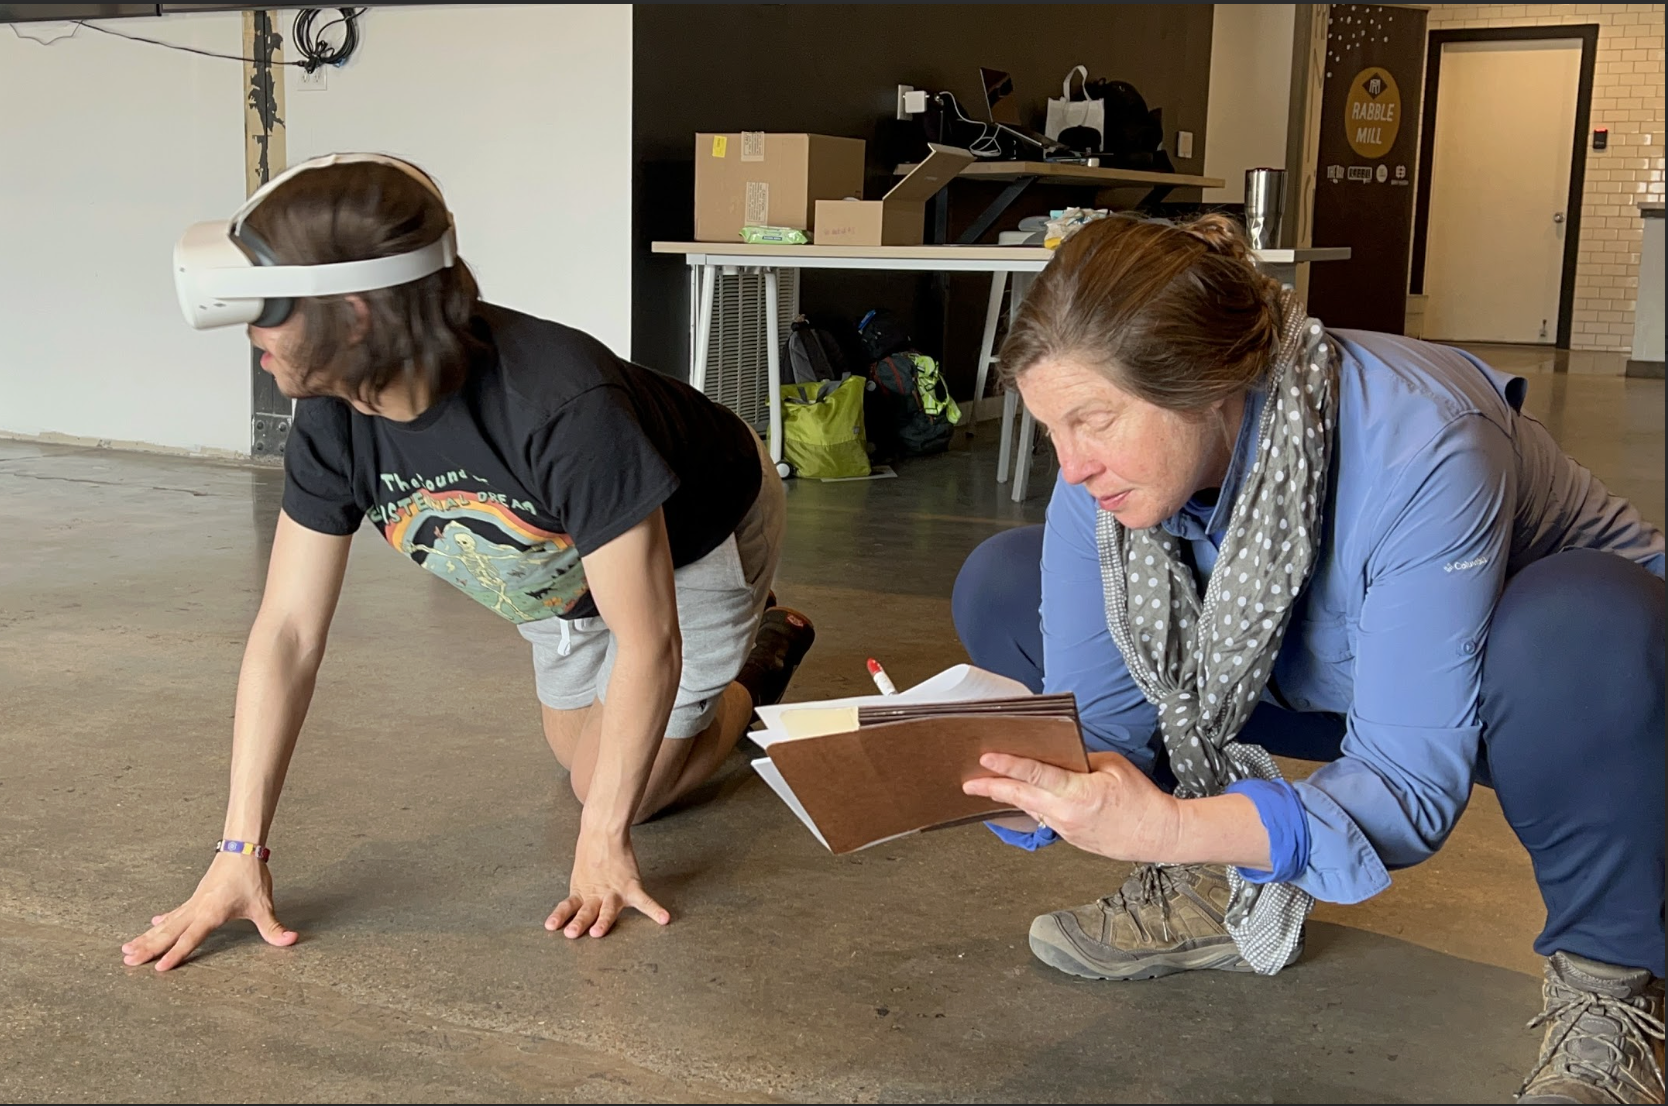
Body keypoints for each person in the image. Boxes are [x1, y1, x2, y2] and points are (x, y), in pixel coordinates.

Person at [950, 213, 1665, 1103]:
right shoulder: (1101, 481)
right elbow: (1102, 728)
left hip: (1549, 689)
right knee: (1004, 584)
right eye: (1052, 428)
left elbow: (1406, 785)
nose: (1073, 465)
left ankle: (1614, 988)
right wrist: (1012, 783)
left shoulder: (1424, 438)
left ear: (1207, 382)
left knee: (1579, 627)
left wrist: (1165, 824)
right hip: (1320, 662)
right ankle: (1213, 888)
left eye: (1093, 421)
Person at [124, 154, 814, 969]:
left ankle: (761, 657)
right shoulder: (332, 413)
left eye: (268, 310)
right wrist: (240, 851)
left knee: (614, 792)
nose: (251, 335)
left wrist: (603, 841)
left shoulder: (558, 403)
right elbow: (287, 633)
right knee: (577, 756)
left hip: (692, 536)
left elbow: (650, 640)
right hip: (559, 573)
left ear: (353, 315)